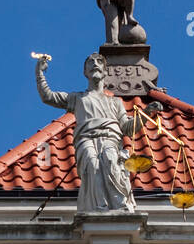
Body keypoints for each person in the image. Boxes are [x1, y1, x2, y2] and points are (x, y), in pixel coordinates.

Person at [36, 53, 136, 212]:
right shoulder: (77, 98)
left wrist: (147, 116)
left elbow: (128, 128)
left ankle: (120, 206)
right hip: (86, 139)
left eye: (99, 61)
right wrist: (40, 73)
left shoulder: (115, 102)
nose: (95, 64)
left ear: (104, 71)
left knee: (111, 162)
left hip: (110, 139)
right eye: (91, 62)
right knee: (92, 166)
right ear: (85, 72)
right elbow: (48, 97)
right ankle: (98, 209)